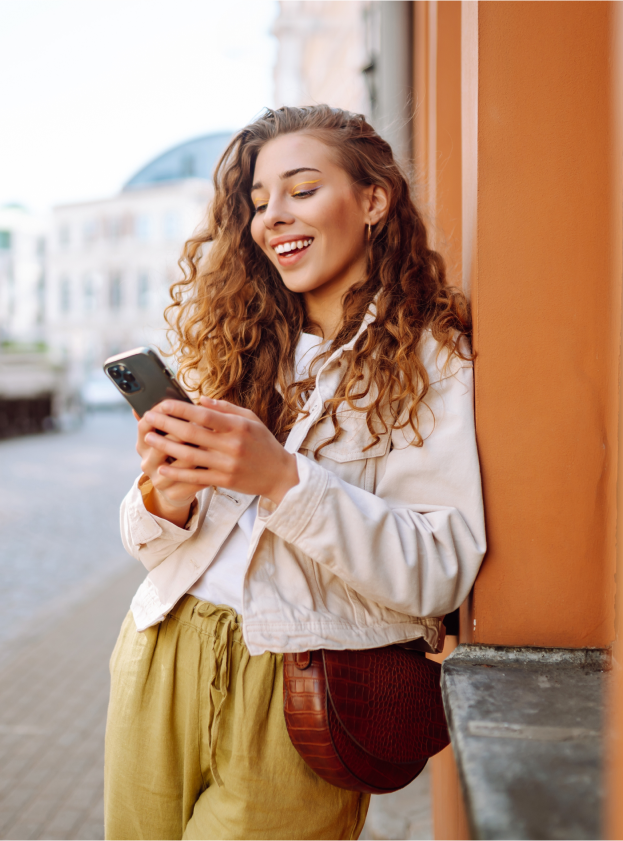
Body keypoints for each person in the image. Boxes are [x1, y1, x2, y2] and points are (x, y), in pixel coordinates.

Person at [105, 105, 486, 840]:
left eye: (302, 189)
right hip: (160, 651)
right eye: (257, 201)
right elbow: (147, 543)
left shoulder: (434, 359)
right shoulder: (239, 347)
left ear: (373, 201)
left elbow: (439, 570)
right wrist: (166, 494)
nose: (273, 215)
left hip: (303, 682)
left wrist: (282, 480)